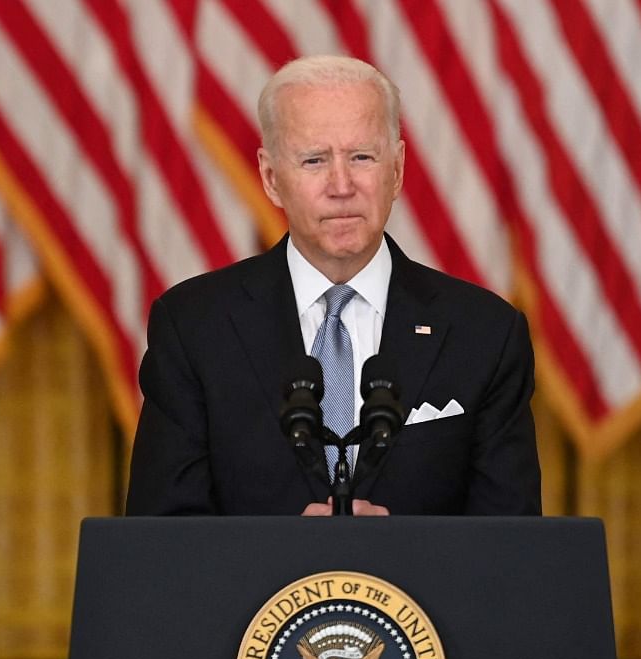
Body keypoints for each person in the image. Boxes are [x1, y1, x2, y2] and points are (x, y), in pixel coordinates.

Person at [125, 56, 540, 516]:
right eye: (314, 160)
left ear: (397, 169)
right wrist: (292, 557)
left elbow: (512, 551)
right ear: (270, 178)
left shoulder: (484, 334)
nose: (341, 185)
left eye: (362, 157)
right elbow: (162, 543)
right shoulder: (194, 329)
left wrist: (402, 554)